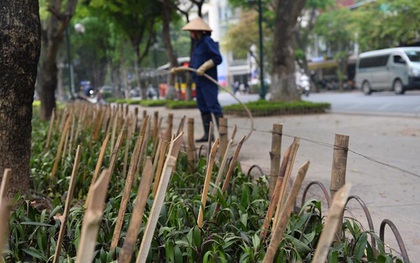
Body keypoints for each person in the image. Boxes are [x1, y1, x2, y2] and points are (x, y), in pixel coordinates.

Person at [171, 17, 223, 143]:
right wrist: (180, 69)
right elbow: (194, 65)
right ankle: (208, 135)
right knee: (203, 107)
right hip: (199, 82)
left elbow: (217, 58)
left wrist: (205, 67)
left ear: (196, 31)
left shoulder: (207, 41)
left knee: (213, 106)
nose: (190, 34)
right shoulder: (197, 45)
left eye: (191, 31)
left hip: (208, 81)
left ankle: (223, 135)